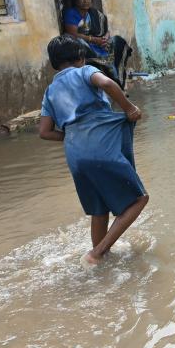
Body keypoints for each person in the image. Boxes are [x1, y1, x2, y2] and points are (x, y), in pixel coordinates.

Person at [38, 36, 148, 267]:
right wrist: (130, 109)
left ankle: (101, 264)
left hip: (75, 153)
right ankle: (97, 253)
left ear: (54, 64)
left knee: (99, 211)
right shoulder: (84, 71)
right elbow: (107, 84)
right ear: (80, 57)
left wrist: (75, 137)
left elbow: (45, 132)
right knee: (138, 199)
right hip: (100, 143)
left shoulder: (50, 92)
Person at [62, 0, 132, 86]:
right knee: (80, 43)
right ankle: (107, 73)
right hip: (85, 44)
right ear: (76, 1)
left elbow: (105, 31)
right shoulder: (71, 13)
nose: (85, 1)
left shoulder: (95, 14)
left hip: (99, 43)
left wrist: (105, 38)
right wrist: (94, 40)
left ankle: (118, 78)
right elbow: (73, 34)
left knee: (117, 41)